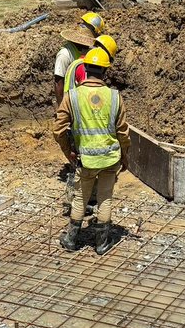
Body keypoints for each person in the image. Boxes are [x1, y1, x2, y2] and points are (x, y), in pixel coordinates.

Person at [54, 46, 130, 255]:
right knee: (105, 198)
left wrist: (68, 151)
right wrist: (125, 157)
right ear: (105, 71)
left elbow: (58, 130)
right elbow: (123, 133)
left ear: (85, 68)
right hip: (110, 159)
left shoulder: (73, 97)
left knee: (80, 198)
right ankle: (102, 243)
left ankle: (71, 240)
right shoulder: (115, 97)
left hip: (85, 159)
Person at [53, 11, 105, 105]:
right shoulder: (65, 54)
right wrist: (61, 110)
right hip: (70, 103)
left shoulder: (90, 52)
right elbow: (58, 83)